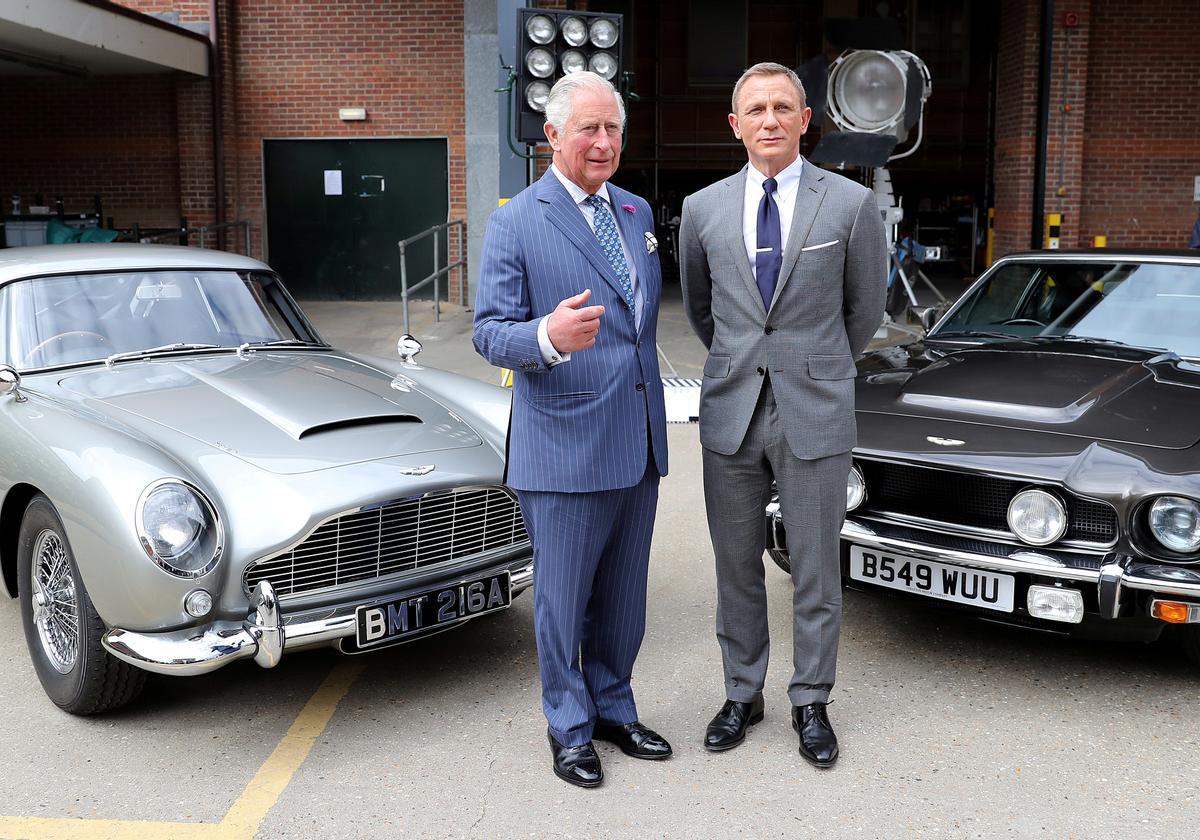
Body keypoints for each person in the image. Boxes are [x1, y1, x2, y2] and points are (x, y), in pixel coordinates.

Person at [678, 62, 886, 768]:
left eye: (783, 107)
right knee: (736, 567)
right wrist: (749, 362)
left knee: (814, 567)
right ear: (735, 124)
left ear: (805, 121)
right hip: (731, 410)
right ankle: (743, 692)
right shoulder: (702, 208)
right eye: (756, 109)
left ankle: (811, 699)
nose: (770, 119)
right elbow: (703, 311)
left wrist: (815, 363)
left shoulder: (851, 206)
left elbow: (864, 312)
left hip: (815, 409)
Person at [473, 71, 671, 788]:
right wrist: (547, 336)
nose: (604, 141)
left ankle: (615, 707)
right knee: (563, 604)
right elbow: (490, 334)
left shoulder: (637, 210)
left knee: (623, 599)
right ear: (552, 135)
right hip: (561, 447)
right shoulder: (517, 220)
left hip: (637, 440)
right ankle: (569, 727)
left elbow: (638, 325)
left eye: (613, 128)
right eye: (588, 128)